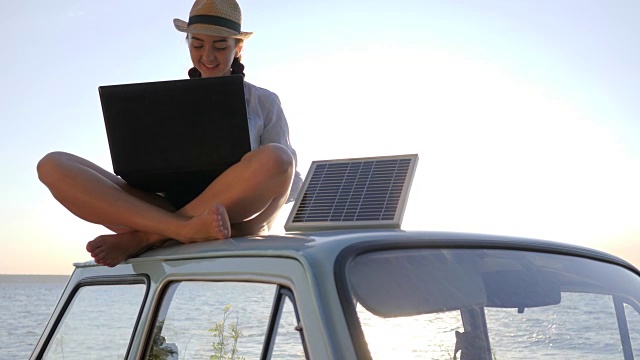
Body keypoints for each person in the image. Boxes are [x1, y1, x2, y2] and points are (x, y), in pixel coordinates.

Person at [36, 0, 302, 268]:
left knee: (278, 159)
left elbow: (285, 181)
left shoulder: (264, 102)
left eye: (220, 46)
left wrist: (255, 217)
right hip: (165, 211)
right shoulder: (165, 103)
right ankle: (182, 229)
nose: (208, 56)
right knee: (53, 165)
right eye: (197, 45)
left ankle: (147, 237)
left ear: (238, 47)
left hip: (233, 218)